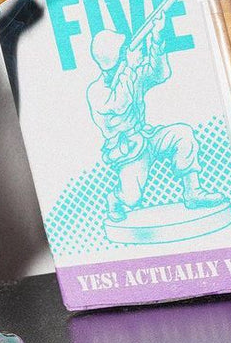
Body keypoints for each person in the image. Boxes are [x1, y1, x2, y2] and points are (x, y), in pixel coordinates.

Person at [86, 15, 222, 220]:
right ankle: (115, 199)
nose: (129, 52)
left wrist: (157, 40)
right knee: (131, 198)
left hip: (147, 136)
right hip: (128, 151)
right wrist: (130, 67)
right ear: (113, 60)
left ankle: (193, 192)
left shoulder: (129, 75)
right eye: (123, 51)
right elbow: (120, 104)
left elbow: (159, 73)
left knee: (182, 135)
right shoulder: (97, 91)